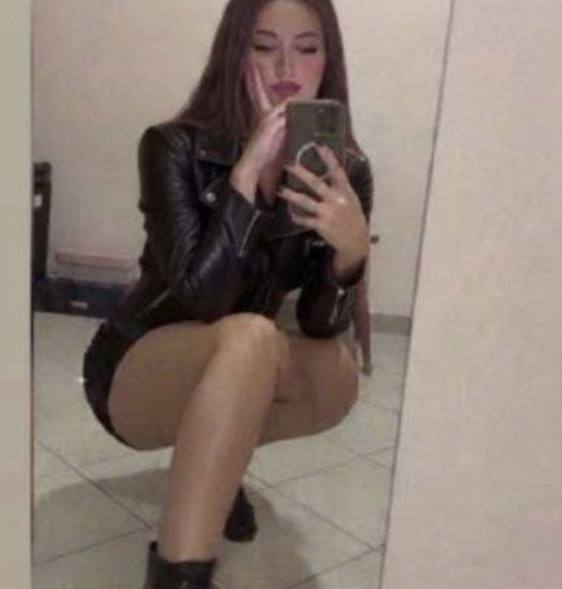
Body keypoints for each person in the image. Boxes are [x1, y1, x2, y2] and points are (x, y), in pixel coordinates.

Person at [81, 0, 373, 587]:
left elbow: (318, 325)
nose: (286, 66)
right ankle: (177, 573)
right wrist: (244, 176)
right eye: (264, 46)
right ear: (235, 55)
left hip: (240, 362)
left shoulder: (347, 171)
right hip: (138, 366)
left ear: (329, 61)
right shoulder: (172, 147)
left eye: (307, 48)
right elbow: (201, 297)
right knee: (250, 336)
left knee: (336, 372)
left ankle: (218, 461)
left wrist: (349, 257)